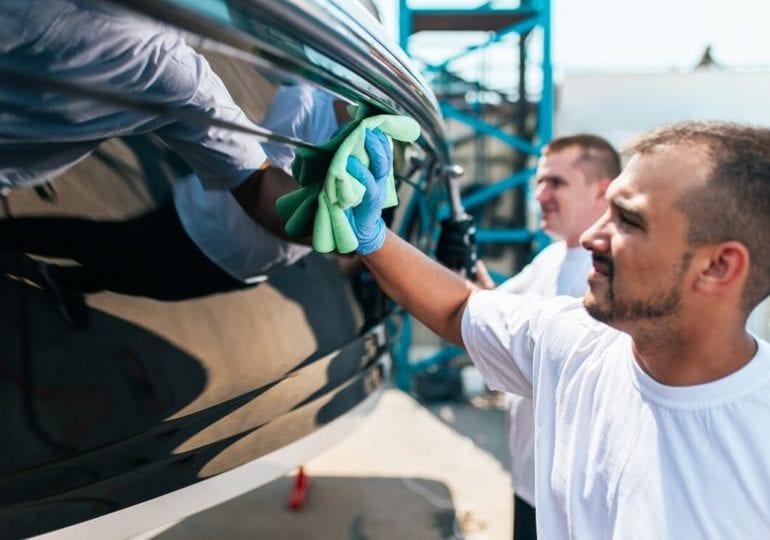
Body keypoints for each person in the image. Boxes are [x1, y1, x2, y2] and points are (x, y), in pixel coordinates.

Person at [347, 122, 770, 537]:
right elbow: (461, 308)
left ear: (718, 266)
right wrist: (374, 238)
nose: (590, 237)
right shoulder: (574, 343)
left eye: (629, 221)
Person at [0, 84, 346, 326]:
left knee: (153, 284)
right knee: (100, 244)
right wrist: (331, 226)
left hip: (244, 265)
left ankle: (69, 280)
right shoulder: (308, 106)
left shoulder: (364, 155)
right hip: (204, 224)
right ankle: (12, 238)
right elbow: (260, 177)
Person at [471, 135, 620, 539]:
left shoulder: (606, 276)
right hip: (528, 481)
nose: (539, 194)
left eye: (556, 182)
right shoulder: (552, 257)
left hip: (568, 503)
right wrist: (464, 271)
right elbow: (488, 314)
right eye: (539, 182)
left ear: (601, 189)